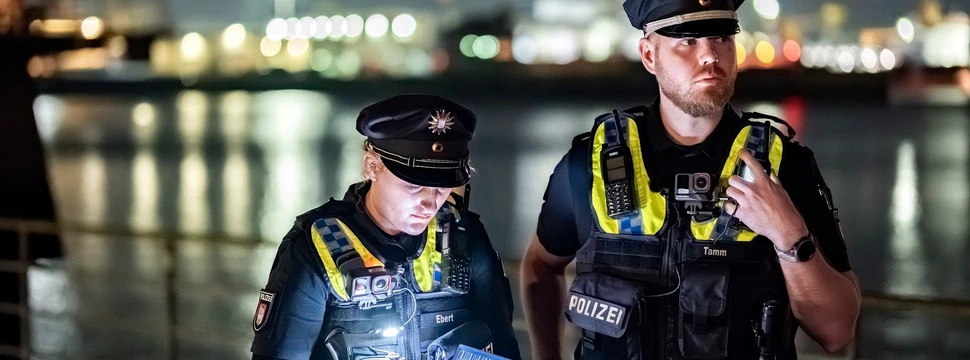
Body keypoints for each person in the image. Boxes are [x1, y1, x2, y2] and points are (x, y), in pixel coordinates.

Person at [519, 1, 861, 359]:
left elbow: (837, 334)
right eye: (687, 41)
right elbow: (542, 264)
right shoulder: (588, 165)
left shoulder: (786, 165)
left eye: (721, 38)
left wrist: (789, 234)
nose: (711, 55)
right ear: (649, 55)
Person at [250, 94, 520, 360]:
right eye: (413, 185)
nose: (430, 203)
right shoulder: (313, 247)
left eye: (441, 186)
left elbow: (503, 345)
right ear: (372, 166)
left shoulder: (465, 236)